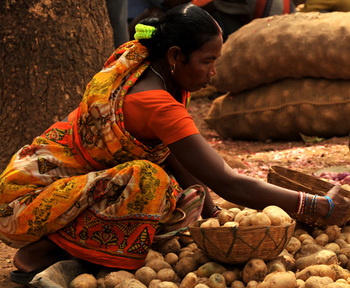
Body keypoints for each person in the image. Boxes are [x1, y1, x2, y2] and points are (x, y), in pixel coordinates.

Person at [0, 3, 348, 286]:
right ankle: (40, 254)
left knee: (186, 200)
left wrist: (217, 217)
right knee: (152, 183)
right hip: (25, 200)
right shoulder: (156, 102)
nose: (213, 73)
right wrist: (316, 205)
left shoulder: (144, 63)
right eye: (207, 61)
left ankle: (86, 250)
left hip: (47, 182)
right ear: (176, 56)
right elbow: (227, 180)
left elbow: (175, 155)